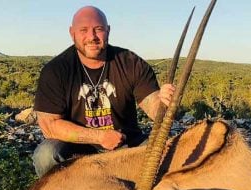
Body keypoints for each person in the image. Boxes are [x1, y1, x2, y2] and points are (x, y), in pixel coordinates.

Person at [32, 6, 175, 177]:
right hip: (78, 148)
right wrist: (99, 137)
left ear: (108, 31)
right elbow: (50, 126)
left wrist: (166, 102)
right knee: (46, 155)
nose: (92, 37)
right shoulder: (56, 70)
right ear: (72, 33)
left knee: (167, 150)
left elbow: (155, 108)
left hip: (126, 146)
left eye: (98, 29)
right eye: (83, 30)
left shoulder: (131, 63)